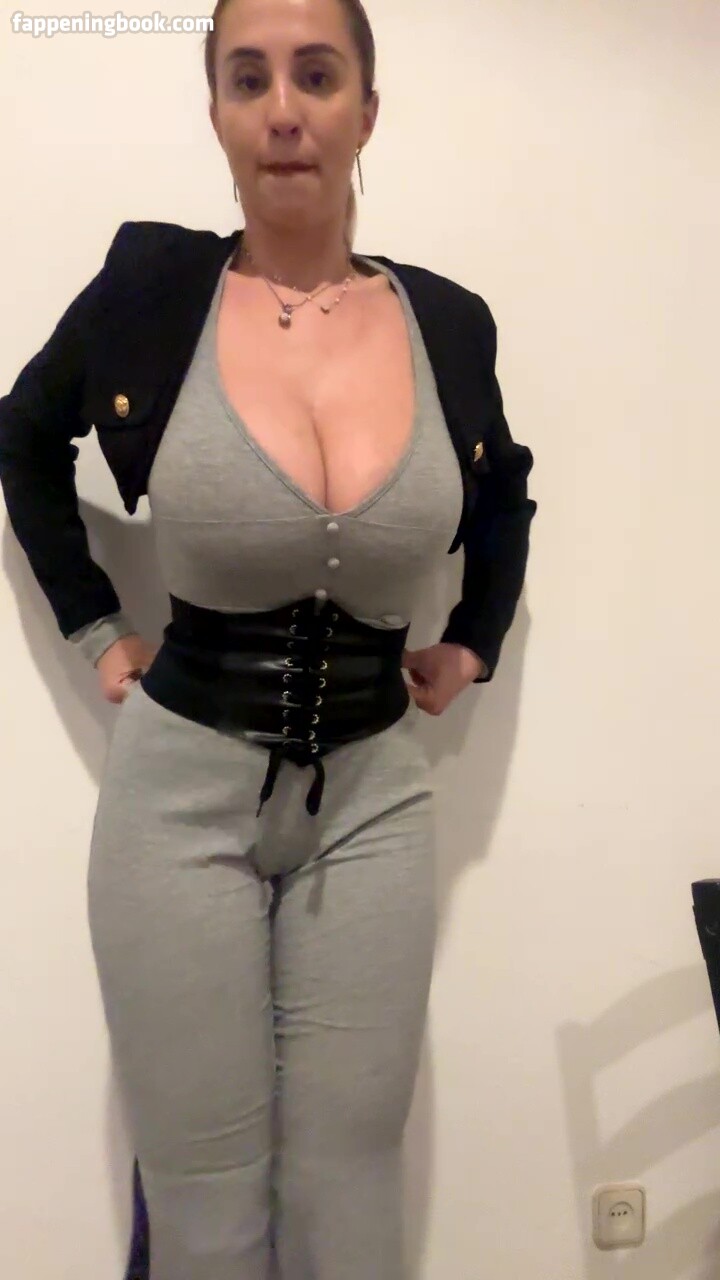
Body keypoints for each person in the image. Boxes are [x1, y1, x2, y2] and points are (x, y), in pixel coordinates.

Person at [0, 0, 537, 1276]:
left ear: (366, 110)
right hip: (175, 803)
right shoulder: (152, 292)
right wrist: (97, 627)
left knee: (353, 1186)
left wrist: (472, 640)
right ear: (217, 114)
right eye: (249, 79)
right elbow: (22, 434)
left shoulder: (447, 322)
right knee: (207, 1199)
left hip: (376, 800)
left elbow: (504, 490)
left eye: (316, 74)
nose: (284, 108)